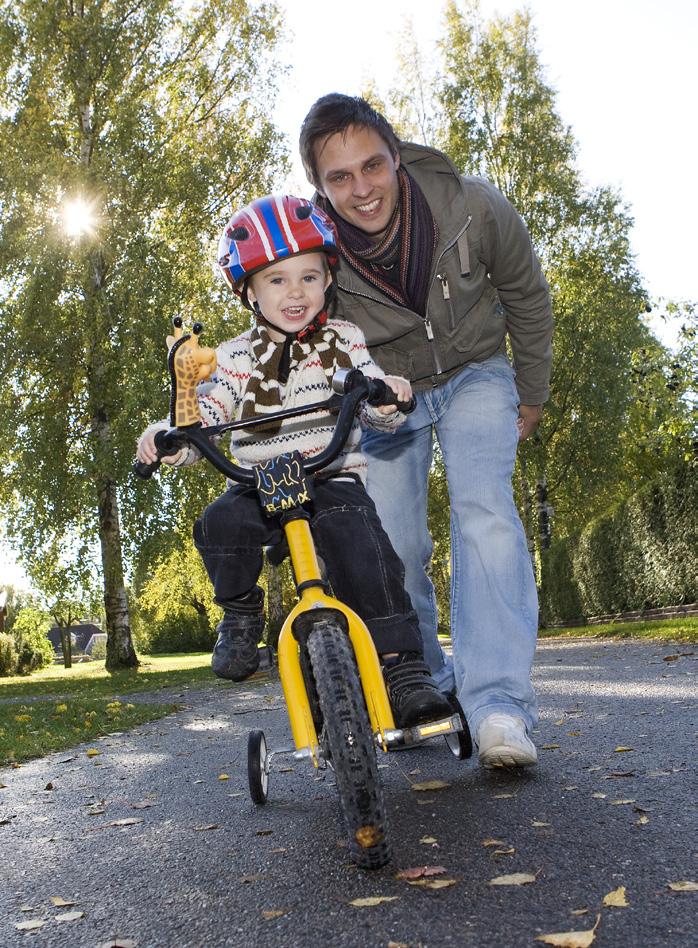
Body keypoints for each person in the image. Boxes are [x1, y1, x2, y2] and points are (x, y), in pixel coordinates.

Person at [299, 95, 554, 768]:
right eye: (340, 178)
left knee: (485, 514)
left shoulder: (471, 207)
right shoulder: (318, 259)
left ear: (395, 156)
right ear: (320, 188)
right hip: (387, 396)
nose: (362, 189)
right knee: (392, 545)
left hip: (476, 374)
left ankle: (498, 706)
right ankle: (426, 687)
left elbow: (526, 295)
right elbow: (298, 341)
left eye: (372, 166)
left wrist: (532, 391)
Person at [136, 194, 452, 729]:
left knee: (369, 551)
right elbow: (207, 412)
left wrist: (386, 394)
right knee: (218, 524)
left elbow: (373, 405)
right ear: (250, 291)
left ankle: (402, 670)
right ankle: (239, 611)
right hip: (258, 481)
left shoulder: (346, 340)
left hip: (330, 475)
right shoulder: (234, 356)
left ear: (328, 280)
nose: (295, 292)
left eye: (309, 276)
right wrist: (169, 433)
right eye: (277, 280)